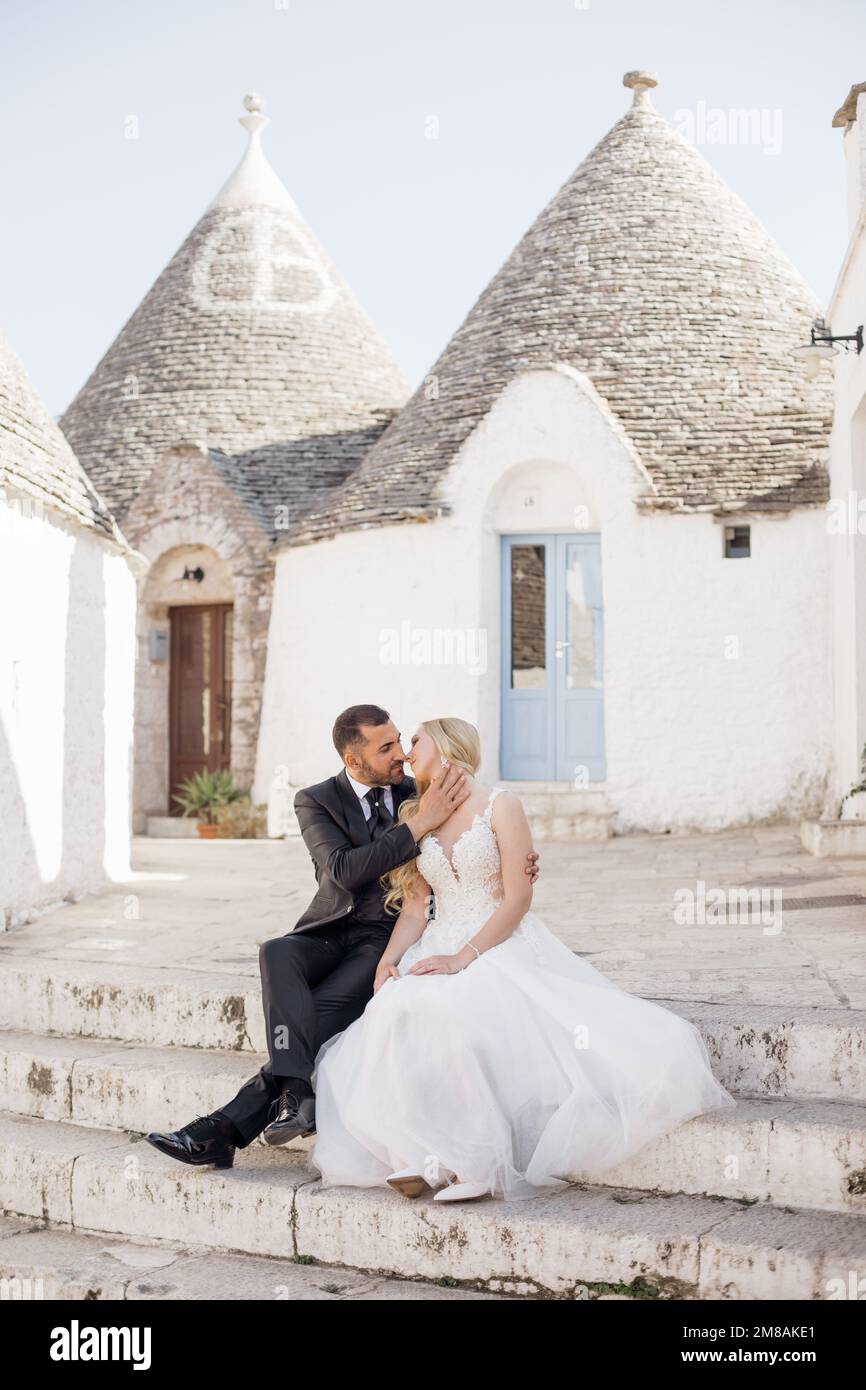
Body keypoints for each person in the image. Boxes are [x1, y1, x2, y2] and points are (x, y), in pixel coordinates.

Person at [308, 717, 737, 1203]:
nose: (406, 753)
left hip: (495, 939)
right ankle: (426, 1154)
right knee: (394, 1008)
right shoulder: (415, 811)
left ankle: (475, 1163)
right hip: (440, 938)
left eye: (414, 742)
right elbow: (413, 906)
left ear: (446, 747)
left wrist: (461, 958)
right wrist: (389, 961)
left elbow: (517, 900)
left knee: (456, 1014)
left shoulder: (501, 806)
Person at [145, 704, 539, 1169]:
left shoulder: (422, 788)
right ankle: (294, 1093)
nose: (401, 755)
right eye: (387, 747)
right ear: (354, 760)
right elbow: (341, 871)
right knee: (277, 951)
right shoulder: (316, 800)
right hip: (333, 926)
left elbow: (478, 840)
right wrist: (418, 824)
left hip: (386, 933)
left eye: (401, 741)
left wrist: (515, 861)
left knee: (316, 1019)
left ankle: (224, 1129)